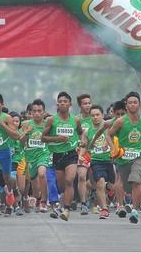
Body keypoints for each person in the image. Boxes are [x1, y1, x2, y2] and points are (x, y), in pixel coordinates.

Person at [108, 91, 141, 224]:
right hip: (122, 157)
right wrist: (113, 148)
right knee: (121, 181)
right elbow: (109, 135)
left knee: (136, 180)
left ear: (139, 105)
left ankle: (134, 210)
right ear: (126, 105)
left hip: (138, 157)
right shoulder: (121, 121)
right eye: (130, 103)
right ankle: (120, 205)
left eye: (135, 102)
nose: (133, 105)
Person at [0, 93, 27, 219]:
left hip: (5, 153)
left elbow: (16, 136)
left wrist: (3, 124)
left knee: (8, 180)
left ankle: (12, 192)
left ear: (2, 105)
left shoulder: (7, 118)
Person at [42, 91, 83, 221]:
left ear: (70, 104)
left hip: (71, 154)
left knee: (69, 180)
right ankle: (62, 201)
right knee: (61, 186)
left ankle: (66, 209)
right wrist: (57, 138)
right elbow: (43, 138)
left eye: (65, 101)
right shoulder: (51, 120)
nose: (63, 104)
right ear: (57, 105)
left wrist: (82, 142)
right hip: (57, 155)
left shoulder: (75, 120)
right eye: (60, 102)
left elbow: (81, 133)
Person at [80, 105, 115, 219]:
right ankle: (104, 209)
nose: (95, 117)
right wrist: (81, 155)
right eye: (92, 115)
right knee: (100, 183)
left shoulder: (110, 126)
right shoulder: (87, 131)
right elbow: (84, 146)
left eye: (97, 115)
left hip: (110, 160)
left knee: (111, 185)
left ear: (102, 115)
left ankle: (96, 188)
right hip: (96, 161)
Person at [22, 99, 50, 213]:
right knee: (34, 184)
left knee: (42, 174)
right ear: (31, 112)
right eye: (34, 111)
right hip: (30, 157)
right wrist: (26, 133)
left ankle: (44, 201)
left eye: (40, 111)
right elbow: (21, 142)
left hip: (43, 154)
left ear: (44, 112)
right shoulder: (25, 124)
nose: (37, 113)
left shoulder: (48, 124)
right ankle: (37, 199)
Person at [76, 94, 92, 215]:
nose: (88, 105)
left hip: (96, 152)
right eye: (85, 103)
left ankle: (95, 198)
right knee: (82, 177)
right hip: (82, 152)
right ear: (80, 106)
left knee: (95, 181)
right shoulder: (76, 120)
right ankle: (83, 203)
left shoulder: (96, 118)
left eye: (89, 103)